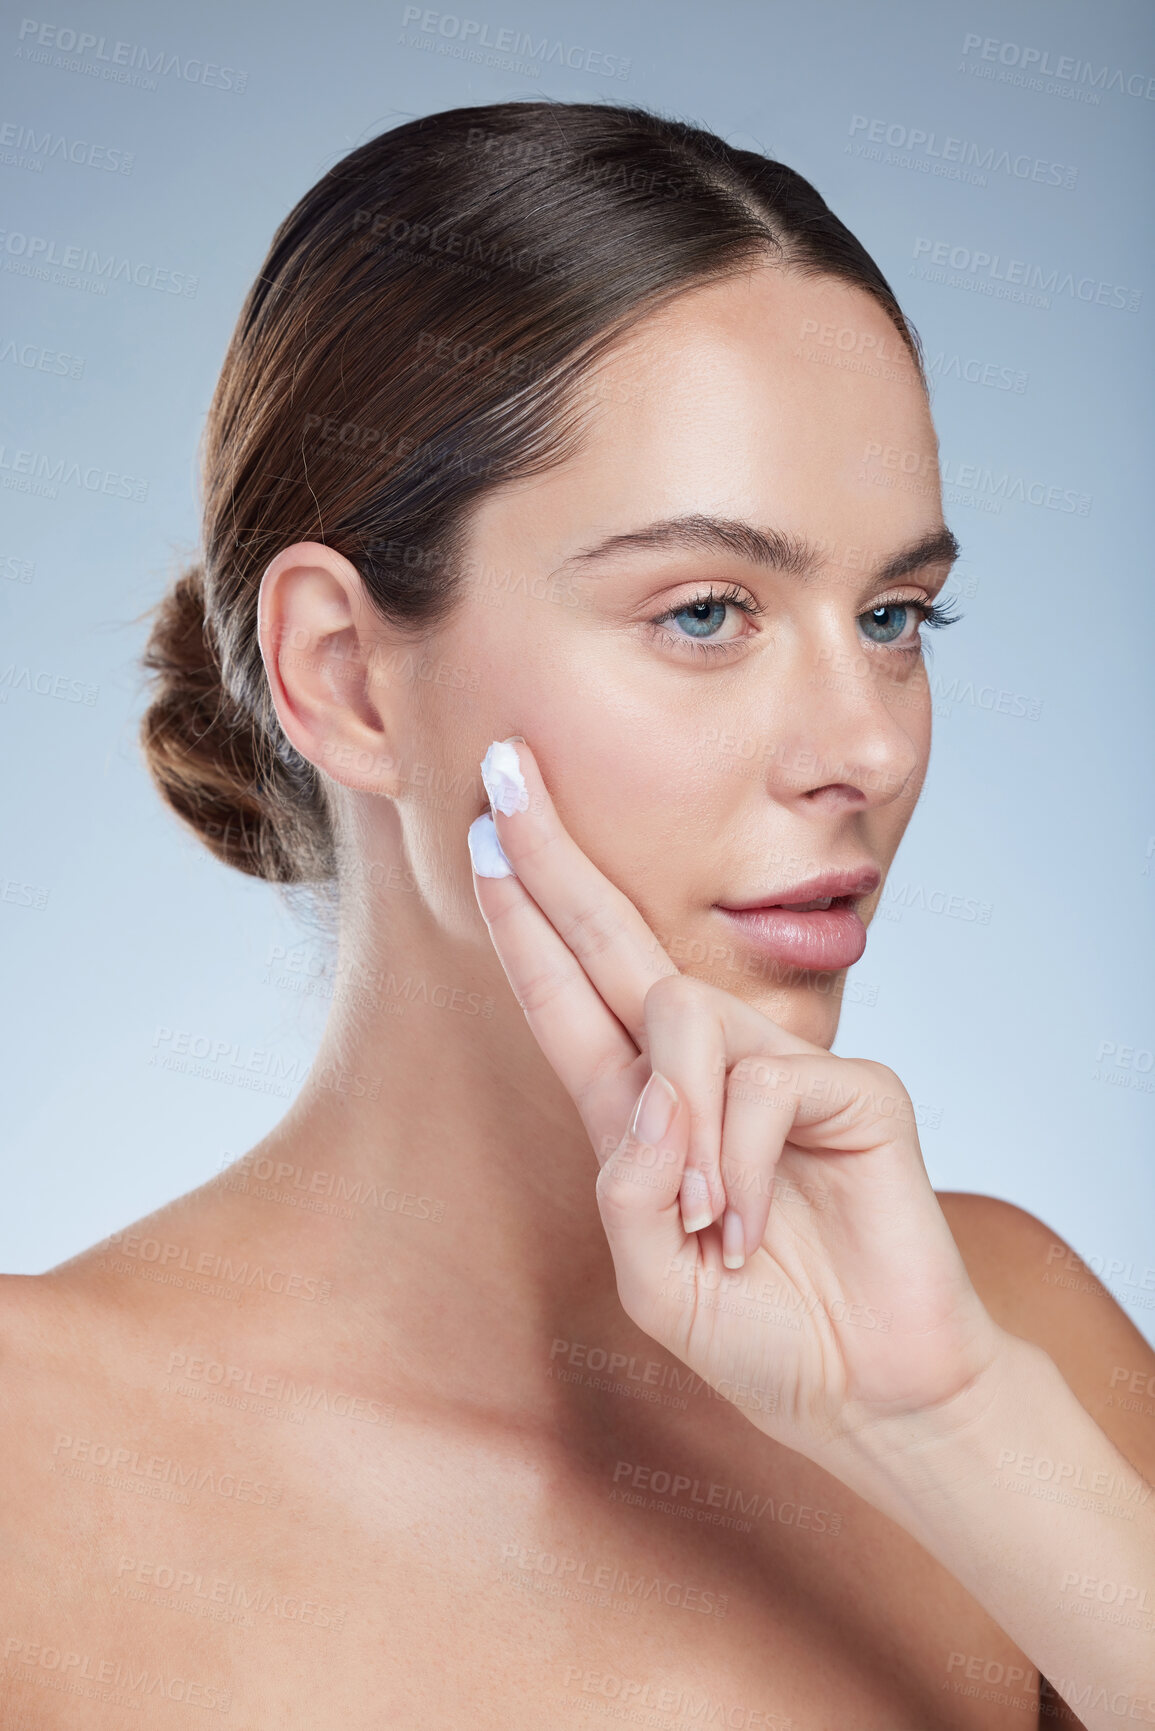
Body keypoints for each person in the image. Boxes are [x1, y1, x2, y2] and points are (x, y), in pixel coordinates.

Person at [1, 98, 1151, 1729]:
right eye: (704, 612)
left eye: (895, 614)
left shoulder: (999, 1337)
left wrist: (952, 1434)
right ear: (344, 676)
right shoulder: (31, 1471)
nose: (871, 746)